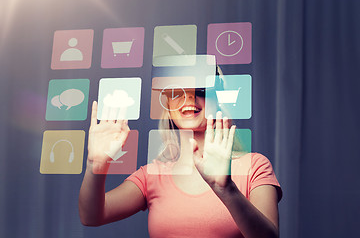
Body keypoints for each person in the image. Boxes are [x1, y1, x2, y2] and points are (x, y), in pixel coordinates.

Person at [79, 81, 282, 238]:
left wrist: (226, 189)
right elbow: (91, 216)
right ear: (168, 105)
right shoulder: (152, 175)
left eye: (201, 90)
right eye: (177, 92)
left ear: (218, 100)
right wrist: (94, 166)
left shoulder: (254, 165)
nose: (189, 97)